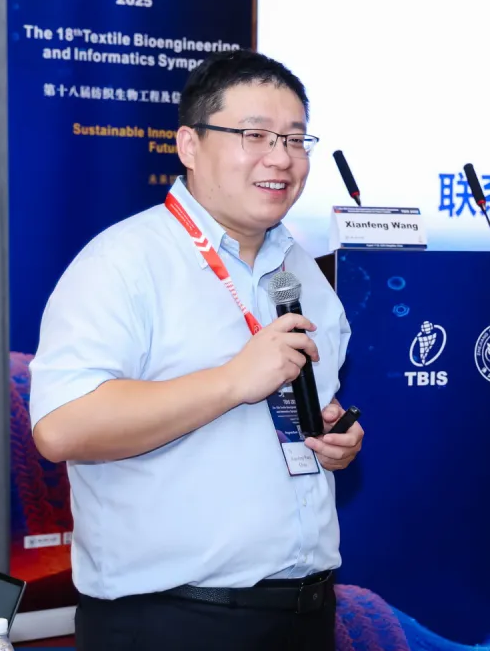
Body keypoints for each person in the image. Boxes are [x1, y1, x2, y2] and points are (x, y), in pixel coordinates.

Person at [28, 49, 364, 651]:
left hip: (304, 612)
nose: (280, 158)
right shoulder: (125, 262)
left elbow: (291, 416)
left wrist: (330, 439)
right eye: (255, 135)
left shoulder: (304, 272)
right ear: (189, 144)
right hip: (172, 620)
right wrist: (232, 381)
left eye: (295, 139)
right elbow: (60, 426)